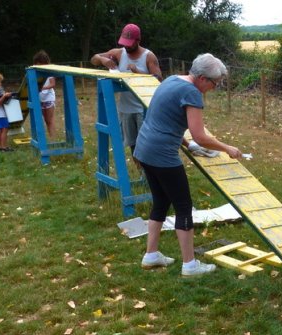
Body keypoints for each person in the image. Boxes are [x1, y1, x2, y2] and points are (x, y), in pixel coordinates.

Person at [134, 53, 242, 277]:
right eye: (215, 83)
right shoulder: (192, 93)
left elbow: (164, 118)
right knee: (183, 207)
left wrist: (187, 145)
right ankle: (190, 265)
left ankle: (151, 255)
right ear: (202, 78)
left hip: (144, 149)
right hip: (162, 155)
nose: (214, 87)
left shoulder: (173, 80)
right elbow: (201, 135)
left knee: (161, 202)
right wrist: (228, 148)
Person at [90, 23, 162, 156]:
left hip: (144, 109)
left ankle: (148, 175)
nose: (126, 46)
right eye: (124, 43)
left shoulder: (148, 56)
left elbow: (158, 80)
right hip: (125, 109)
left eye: (129, 43)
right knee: (134, 148)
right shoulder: (118, 53)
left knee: (146, 148)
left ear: (138, 40)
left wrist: (139, 72)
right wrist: (102, 60)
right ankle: (142, 175)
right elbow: (93, 59)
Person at [33, 50, 56, 138]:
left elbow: (52, 84)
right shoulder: (35, 72)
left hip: (48, 98)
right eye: (37, 63)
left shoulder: (49, 71)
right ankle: (46, 138)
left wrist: (43, 88)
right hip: (39, 98)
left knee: (49, 120)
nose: (38, 65)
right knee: (44, 120)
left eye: (40, 63)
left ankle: (53, 138)